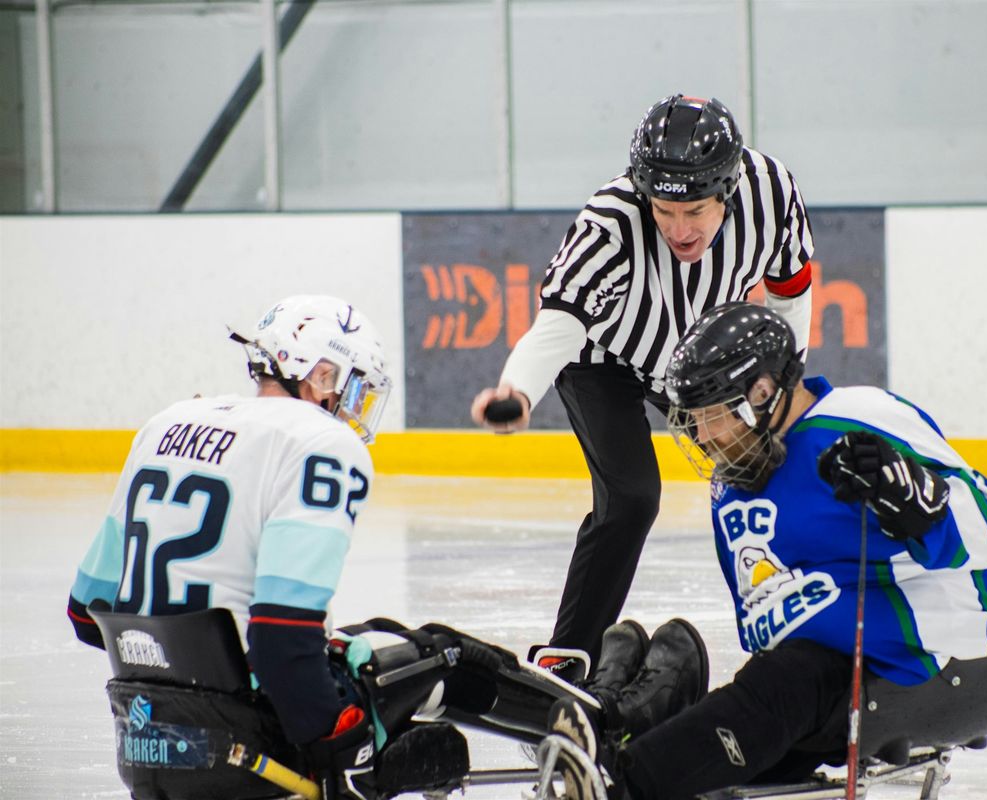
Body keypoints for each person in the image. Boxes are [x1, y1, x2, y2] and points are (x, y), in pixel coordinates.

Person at [547, 302, 987, 800]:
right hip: (812, 684)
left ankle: (618, 786)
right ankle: (618, 738)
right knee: (707, 690)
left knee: (783, 683)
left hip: (947, 666)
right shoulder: (731, 483)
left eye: (714, 414)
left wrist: (912, 498)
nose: (702, 436)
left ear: (764, 391)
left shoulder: (859, 418)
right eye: (694, 419)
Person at [471, 94, 816, 679]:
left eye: (696, 211)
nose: (679, 230)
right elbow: (557, 327)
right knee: (631, 498)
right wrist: (519, 391)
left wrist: (783, 389)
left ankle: (807, 637)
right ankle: (568, 664)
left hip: (697, 356)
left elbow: (791, 288)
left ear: (728, 190)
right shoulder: (609, 223)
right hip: (602, 357)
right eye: (664, 211)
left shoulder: (771, 191)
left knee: (771, 467)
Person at [67, 295, 401, 800]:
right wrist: (335, 742)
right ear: (321, 376)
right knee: (439, 660)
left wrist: (186, 656)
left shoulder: (169, 421)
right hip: (253, 749)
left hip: (146, 737)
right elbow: (280, 641)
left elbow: (87, 614)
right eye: (352, 387)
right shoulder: (321, 442)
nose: (355, 408)